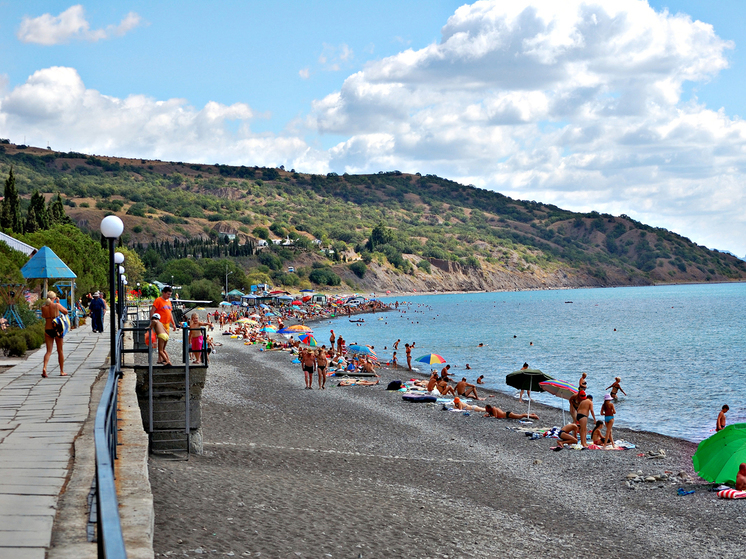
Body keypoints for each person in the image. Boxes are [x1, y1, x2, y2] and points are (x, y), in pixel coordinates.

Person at [41, 291, 68, 378]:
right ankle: (61, 371)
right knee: (60, 351)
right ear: (54, 298)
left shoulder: (43, 307)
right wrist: (58, 303)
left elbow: (43, 316)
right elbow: (66, 312)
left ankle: (44, 368)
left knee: (48, 351)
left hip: (48, 329)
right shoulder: (56, 305)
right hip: (57, 329)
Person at [150, 287, 177, 363]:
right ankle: (161, 358)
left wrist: (173, 324)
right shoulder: (158, 300)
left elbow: (170, 313)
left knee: (165, 341)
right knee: (161, 341)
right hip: (160, 324)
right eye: (168, 294)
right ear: (164, 293)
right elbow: (152, 310)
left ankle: (161, 358)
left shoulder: (169, 301)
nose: (169, 296)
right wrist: (152, 321)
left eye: (170, 294)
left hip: (167, 324)